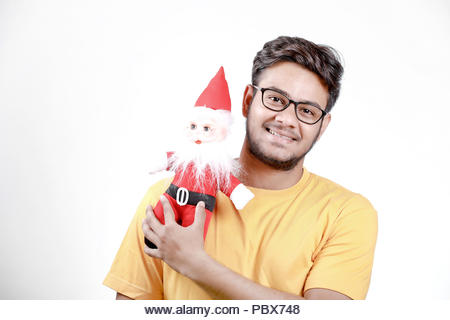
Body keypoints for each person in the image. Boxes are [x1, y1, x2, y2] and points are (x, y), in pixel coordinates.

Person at [103, 36, 378, 300]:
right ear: (248, 101)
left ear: (322, 126)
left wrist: (196, 265)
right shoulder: (169, 197)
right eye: (275, 99)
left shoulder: (346, 213)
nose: (286, 119)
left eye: (307, 111)